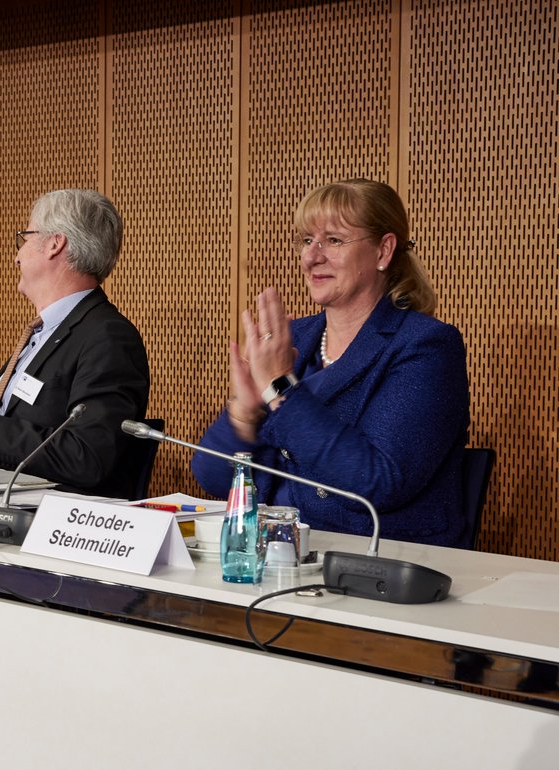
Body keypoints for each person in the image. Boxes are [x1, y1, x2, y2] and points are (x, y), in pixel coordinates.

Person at [191, 178, 470, 547]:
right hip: (276, 556)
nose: (311, 257)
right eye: (307, 241)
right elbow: (211, 475)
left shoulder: (425, 347)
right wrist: (244, 414)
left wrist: (279, 388)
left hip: (374, 565)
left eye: (333, 241)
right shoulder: (296, 339)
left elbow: (377, 482)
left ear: (384, 251)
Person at [0, 189, 150, 498]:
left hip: (38, 527)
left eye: (26, 237)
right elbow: (21, 431)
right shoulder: (44, 332)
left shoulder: (108, 337)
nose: (17, 255)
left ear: (54, 244)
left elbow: (87, 456)